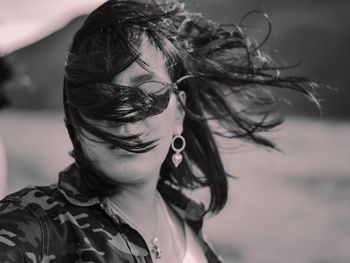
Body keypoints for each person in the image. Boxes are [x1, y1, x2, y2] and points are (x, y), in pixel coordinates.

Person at [0, 0, 320, 262]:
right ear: (75, 116)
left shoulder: (190, 227)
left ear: (179, 110)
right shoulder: (34, 228)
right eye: (99, 96)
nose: (124, 117)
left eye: (146, 92)